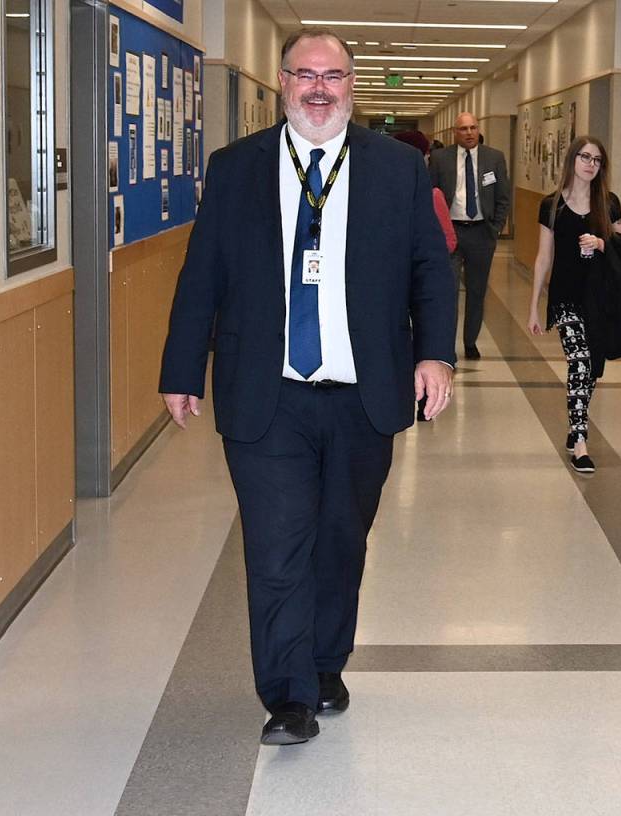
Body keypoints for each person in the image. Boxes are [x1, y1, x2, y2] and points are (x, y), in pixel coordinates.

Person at [159, 28, 456, 746]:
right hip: (270, 391)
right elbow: (203, 275)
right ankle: (288, 694)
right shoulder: (237, 168)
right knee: (277, 543)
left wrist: (435, 356)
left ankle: (325, 663)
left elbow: (430, 270)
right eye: (304, 75)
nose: (318, 88)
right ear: (282, 83)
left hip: (364, 392)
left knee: (341, 539)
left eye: (333, 75)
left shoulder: (397, 170)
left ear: (352, 85)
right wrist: (179, 370)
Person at [527, 136, 621, 474]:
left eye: (597, 160)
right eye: (585, 157)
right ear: (572, 159)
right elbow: (544, 257)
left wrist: (602, 243)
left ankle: (575, 428)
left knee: (591, 370)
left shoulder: (609, 203)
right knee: (580, 362)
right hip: (566, 297)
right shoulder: (552, 205)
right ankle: (581, 441)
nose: (590, 164)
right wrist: (533, 307)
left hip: (599, 298)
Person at [430, 112, 510, 360]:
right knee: (447, 292)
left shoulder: (494, 158)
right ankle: (446, 345)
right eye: (463, 129)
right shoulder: (440, 158)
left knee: (477, 292)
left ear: (478, 129)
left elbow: (503, 197)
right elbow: (430, 196)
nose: (469, 133)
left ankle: (470, 342)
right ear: (455, 132)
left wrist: (495, 228)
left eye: (473, 128)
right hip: (450, 233)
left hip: (481, 234)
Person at [393, 129, 458, 422]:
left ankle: (423, 398)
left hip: (417, 283)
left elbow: (445, 241)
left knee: (421, 332)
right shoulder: (382, 192)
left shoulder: (432, 195)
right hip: (394, 288)